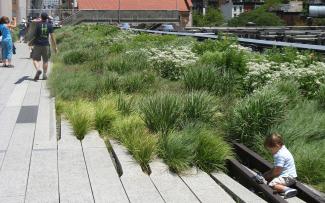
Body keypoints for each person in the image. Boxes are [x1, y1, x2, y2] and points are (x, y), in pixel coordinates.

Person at [263, 133, 298, 199]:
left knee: (272, 184)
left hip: (287, 178)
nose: (271, 152)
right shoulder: (283, 150)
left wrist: (269, 175)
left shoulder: (279, 155)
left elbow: (277, 172)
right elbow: (277, 168)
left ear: (277, 145)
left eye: (271, 149)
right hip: (290, 176)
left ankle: (288, 190)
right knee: (267, 176)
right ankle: (281, 188)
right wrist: (267, 174)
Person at [31, 12, 58, 81]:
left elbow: (32, 35)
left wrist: (30, 43)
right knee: (45, 60)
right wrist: (55, 47)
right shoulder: (50, 25)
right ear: (47, 18)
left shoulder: (37, 25)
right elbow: (52, 37)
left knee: (35, 59)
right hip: (46, 45)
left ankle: (38, 69)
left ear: (41, 17)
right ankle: (44, 75)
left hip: (37, 44)